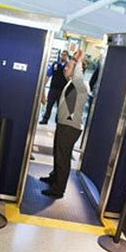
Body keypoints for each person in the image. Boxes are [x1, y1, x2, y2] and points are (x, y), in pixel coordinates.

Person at [40, 50, 90, 198]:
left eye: (69, 67)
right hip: (64, 125)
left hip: (70, 128)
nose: (65, 68)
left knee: (63, 157)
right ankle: (54, 178)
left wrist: (78, 60)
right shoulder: (70, 83)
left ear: (77, 71)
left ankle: (58, 189)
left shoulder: (80, 85)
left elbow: (78, 74)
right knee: (58, 152)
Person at [39, 50, 70, 124]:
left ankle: (58, 121)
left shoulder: (68, 66)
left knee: (60, 107)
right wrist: (43, 85)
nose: (63, 56)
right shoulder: (55, 64)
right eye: (62, 54)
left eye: (65, 55)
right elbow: (48, 74)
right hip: (53, 88)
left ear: (67, 56)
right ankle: (45, 119)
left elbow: (70, 78)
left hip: (63, 90)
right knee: (49, 105)